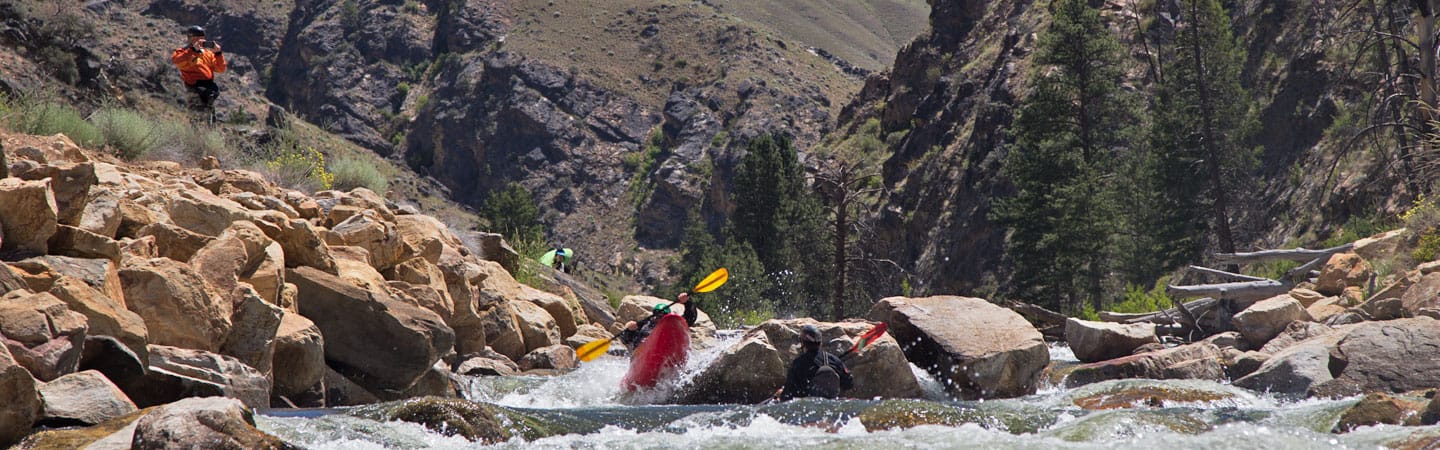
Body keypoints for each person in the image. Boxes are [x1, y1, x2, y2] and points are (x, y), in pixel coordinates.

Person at [775, 324, 853, 401]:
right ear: (820, 342)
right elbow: (849, 383)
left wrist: (780, 394)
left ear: (802, 343)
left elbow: (788, 394)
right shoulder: (834, 360)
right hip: (833, 403)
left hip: (809, 406)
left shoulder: (798, 363)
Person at [171, 25, 226, 111]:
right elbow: (178, 61)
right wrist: (193, 50)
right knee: (197, 112)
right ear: (190, 38)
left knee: (209, 112)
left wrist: (218, 54)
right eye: (198, 39)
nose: (201, 41)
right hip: (194, 86)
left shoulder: (208, 53)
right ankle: (197, 123)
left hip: (208, 86)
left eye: (203, 38)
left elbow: (221, 69)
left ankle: (208, 122)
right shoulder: (183, 51)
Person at [618, 292, 697, 349]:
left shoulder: (674, 325)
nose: (659, 317)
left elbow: (691, 318)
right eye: (657, 314)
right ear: (654, 314)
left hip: (668, 350)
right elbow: (625, 340)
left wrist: (687, 302)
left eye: (663, 315)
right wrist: (630, 330)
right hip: (643, 355)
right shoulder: (644, 325)